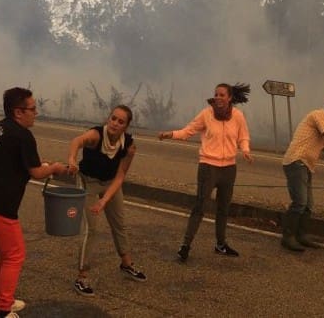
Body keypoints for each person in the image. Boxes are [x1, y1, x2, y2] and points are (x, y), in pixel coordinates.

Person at [0, 88, 69, 318]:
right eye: (32, 109)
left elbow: (13, 160)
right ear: (18, 112)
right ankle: (2, 312)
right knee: (15, 254)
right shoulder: (22, 135)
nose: (36, 113)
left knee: (7, 251)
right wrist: (54, 168)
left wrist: (41, 165)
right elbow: (36, 172)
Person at [158, 83, 253, 262]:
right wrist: (170, 134)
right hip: (208, 167)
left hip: (229, 168)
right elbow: (188, 131)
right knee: (200, 207)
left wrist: (246, 150)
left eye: (222, 95)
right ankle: (185, 246)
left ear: (230, 97)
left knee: (223, 208)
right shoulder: (206, 114)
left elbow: (243, 137)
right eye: (216, 94)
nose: (218, 97)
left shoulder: (238, 116)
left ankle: (221, 244)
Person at [66, 105, 146, 297]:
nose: (115, 123)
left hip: (110, 183)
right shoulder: (96, 136)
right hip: (88, 181)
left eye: (120, 121)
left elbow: (120, 176)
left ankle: (126, 263)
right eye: (113, 118)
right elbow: (77, 141)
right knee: (91, 229)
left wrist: (104, 201)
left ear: (126, 126)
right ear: (108, 119)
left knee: (119, 224)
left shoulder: (129, 146)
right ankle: (82, 276)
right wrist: (72, 159)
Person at [280, 100, 324, 251]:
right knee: (300, 202)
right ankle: (288, 237)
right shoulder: (318, 115)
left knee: (308, 205)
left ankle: (301, 235)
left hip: (306, 165)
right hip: (296, 161)